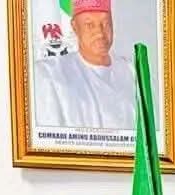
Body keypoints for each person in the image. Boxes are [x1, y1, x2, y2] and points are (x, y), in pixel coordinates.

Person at [32, 0, 136, 129]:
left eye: (105, 23)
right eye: (90, 25)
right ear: (75, 27)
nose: (100, 33)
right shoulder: (50, 75)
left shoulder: (131, 71)